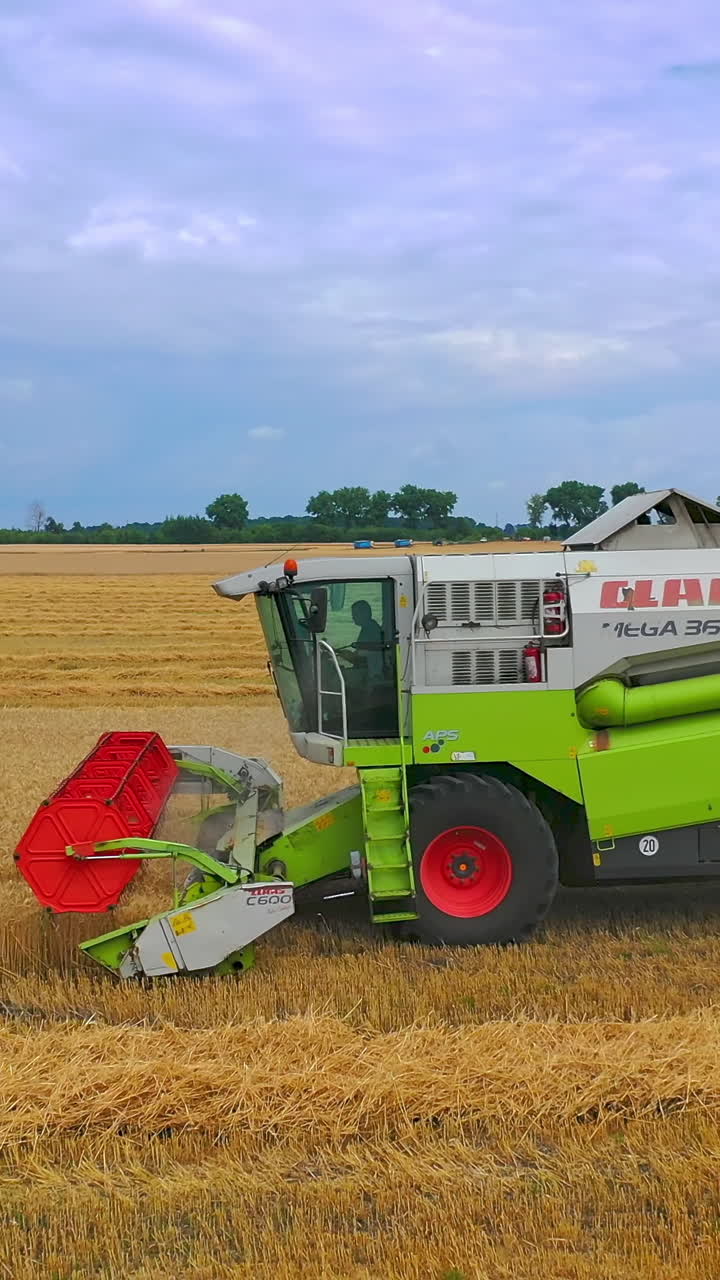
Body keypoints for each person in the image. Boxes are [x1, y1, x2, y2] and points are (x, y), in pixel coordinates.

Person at [342, 600, 385, 679]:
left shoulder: (371, 630)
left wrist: (347, 655)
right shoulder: (368, 627)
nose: (353, 617)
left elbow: (361, 657)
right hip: (366, 670)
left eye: (355, 614)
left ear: (365, 613)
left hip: (371, 674)